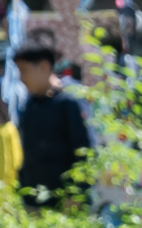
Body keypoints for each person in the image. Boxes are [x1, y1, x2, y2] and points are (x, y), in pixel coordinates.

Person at [11, 41, 90, 205]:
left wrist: (76, 193)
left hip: (65, 200)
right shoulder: (30, 104)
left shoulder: (68, 103)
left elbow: (84, 152)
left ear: (45, 67)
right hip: (34, 199)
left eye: (24, 70)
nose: (21, 78)